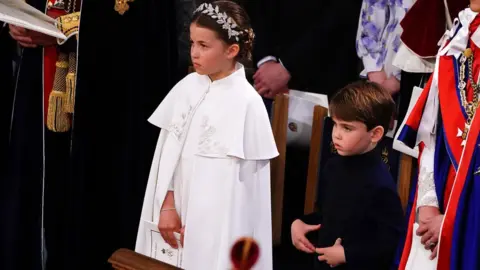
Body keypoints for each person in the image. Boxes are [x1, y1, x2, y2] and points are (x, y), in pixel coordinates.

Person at [1, 0, 178, 269]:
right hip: (41, 75)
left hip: (110, 96)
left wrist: (66, 31)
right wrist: (18, 24)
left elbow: (144, 27)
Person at [135, 1, 278, 270]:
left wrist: (204, 229)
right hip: (172, 213)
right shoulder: (186, 87)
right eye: (192, 43)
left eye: (204, 45)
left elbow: (242, 194)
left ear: (232, 50)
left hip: (216, 229)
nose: (194, 53)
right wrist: (167, 205)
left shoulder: (246, 103)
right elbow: (166, 158)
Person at [397, 2, 480, 269]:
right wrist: (428, 202)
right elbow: (431, 132)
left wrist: (456, 217)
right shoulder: (459, 38)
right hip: (443, 194)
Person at [290, 81, 404, 269]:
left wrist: (347, 255)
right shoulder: (333, 166)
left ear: (375, 134)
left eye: (347, 128)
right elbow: (328, 215)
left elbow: (390, 241)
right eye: (335, 125)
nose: (337, 135)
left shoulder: (379, 182)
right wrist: (301, 223)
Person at [246, 0, 363, 99]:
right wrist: (266, 60)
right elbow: (258, 11)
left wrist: (287, 66)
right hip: (266, 79)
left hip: (326, 75)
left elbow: (342, 13)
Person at [356, 0, 413, 96]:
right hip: (379, 73)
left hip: (418, 71)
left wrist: (398, 78)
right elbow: (371, 16)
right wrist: (374, 69)